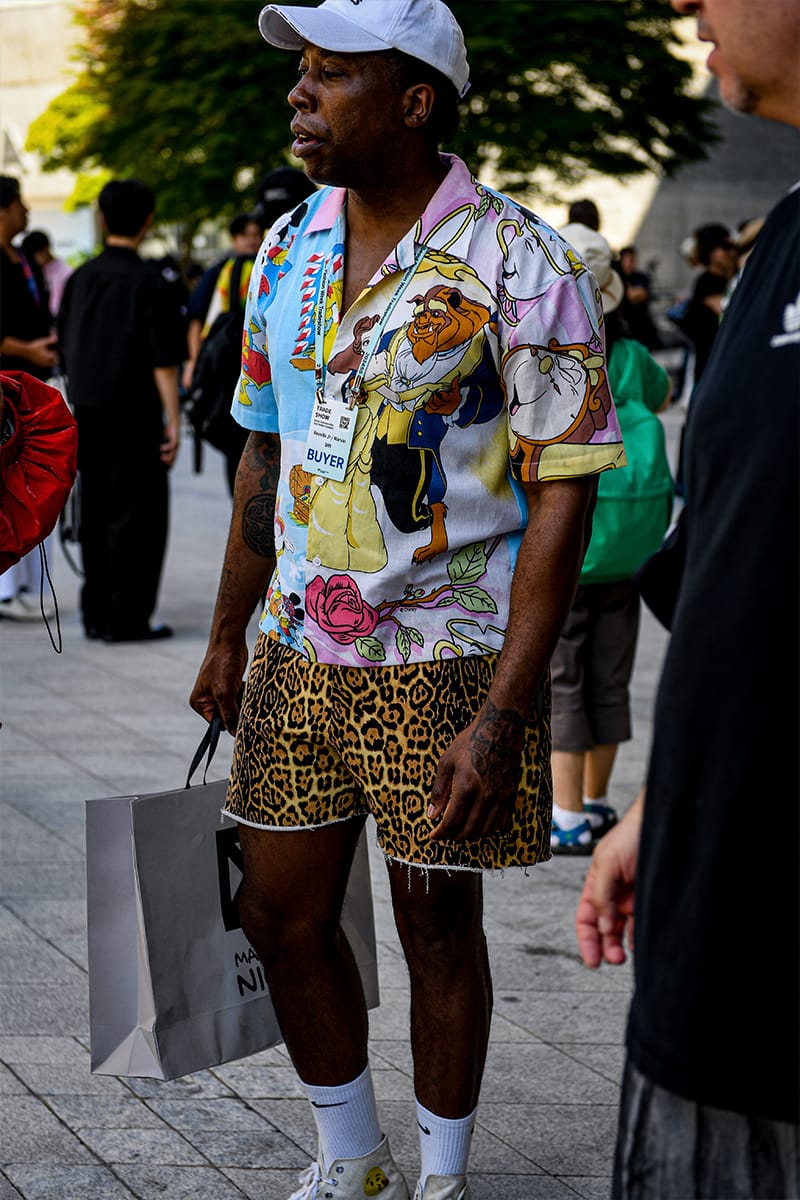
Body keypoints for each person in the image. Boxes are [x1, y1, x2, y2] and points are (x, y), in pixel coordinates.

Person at [189, 2, 625, 1197]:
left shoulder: (519, 261)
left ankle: (441, 1173)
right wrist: (229, 632)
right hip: (295, 646)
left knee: (436, 925)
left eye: (331, 75)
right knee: (276, 917)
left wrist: (502, 709)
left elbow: (564, 493)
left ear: (414, 99)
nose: (300, 94)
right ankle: (351, 1157)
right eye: (303, 74)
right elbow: (264, 451)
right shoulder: (285, 247)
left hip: (444, 654)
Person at [575, 1, 800, 1196]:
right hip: (710, 954)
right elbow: (747, 573)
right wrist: (667, 801)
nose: (685, 8)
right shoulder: (781, 248)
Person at [550, 224, 672, 854]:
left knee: (563, 678)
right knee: (609, 676)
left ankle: (565, 813)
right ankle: (597, 804)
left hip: (571, 548)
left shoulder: (551, 351)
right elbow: (664, 393)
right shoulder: (630, 356)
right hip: (628, 550)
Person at [58, 179, 184, 642]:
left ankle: (95, 612)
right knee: (139, 514)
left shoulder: (80, 278)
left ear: (102, 217)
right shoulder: (149, 281)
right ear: (148, 221)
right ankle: (127, 618)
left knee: (94, 510)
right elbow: (163, 360)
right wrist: (173, 419)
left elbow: (65, 350)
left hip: (87, 412)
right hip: (136, 414)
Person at [0, 177, 59, 622]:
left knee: (31, 482)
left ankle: (19, 584)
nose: (27, 213)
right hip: (7, 383)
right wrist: (27, 350)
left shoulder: (23, 259)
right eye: (21, 205)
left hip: (31, 390)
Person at [615, 246, 661, 351]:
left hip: (642, 322)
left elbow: (643, 294)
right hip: (626, 323)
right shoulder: (618, 277)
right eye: (629, 260)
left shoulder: (641, 277)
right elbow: (629, 296)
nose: (631, 263)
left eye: (633, 260)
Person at [20, 228, 73, 316]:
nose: (33, 259)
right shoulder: (32, 272)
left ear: (46, 249)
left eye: (35, 254)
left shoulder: (66, 272)